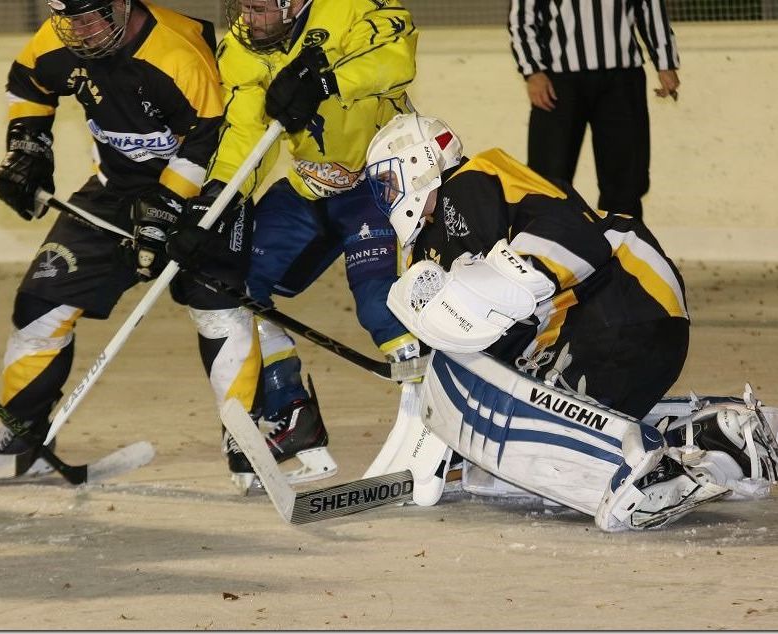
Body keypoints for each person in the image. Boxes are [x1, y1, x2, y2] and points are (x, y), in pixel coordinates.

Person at [362, 113, 778, 531]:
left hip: (626, 302)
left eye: (388, 179)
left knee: (523, 413)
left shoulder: (471, 181)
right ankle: (723, 438)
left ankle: (648, 476)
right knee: (551, 424)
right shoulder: (430, 245)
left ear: (419, 163)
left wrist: (504, 287)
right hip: (611, 330)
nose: (387, 194)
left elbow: (571, 235)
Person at [0, 0, 275, 487]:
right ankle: (24, 437)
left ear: (122, 4)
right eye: (68, 17)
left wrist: (167, 207)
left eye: (91, 15)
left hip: (204, 190)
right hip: (115, 192)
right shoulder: (62, 41)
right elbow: (27, 80)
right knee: (40, 301)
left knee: (217, 307)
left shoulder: (177, 54)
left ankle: (246, 437)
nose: (78, 29)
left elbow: (211, 137)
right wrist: (27, 144)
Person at [165, 0, 422, 491]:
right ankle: (292, 417)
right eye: (242, 6)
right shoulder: (241, 46)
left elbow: (396, 57)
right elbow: (245, 134)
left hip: (382, 180)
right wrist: (217, 200)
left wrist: (326, 79)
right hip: (312, 186)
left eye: (259, 8)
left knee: (382, 309)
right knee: (236, 283)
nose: (248, 19)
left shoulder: (354, 8)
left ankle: (439, 433)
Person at [508, 0, 681, 220]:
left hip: (622, 79)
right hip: (558, 81)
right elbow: (522, 17)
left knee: (626, 179)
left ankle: (621, 250)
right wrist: (532, 71)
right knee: (548, 178)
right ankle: (546, 250)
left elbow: (649, 7)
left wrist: (665, 62)